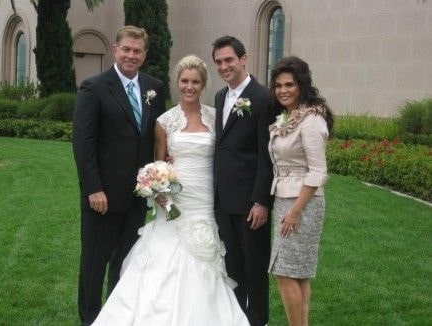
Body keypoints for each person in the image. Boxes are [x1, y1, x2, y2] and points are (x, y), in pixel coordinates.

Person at [91, 55, 250, 325]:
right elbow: (158, 163)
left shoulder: (214, 117)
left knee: (206, 253)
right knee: (166, 254)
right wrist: (161, 193)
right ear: (177, 83)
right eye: (185, 81)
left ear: (203, 84)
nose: (190, 87)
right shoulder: (165, 121)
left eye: (196, 82)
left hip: (205, 196)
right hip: (175, 197)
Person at [72, 26, 166, 325]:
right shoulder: (94, 87)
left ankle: (115, 316)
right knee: (94, 263)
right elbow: (83, 143)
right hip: (102, 196)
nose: (131, 55)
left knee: (125, 262)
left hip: (137, 196)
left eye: (137, 51)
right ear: (115, 49)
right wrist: (93, 188)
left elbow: (158, 136)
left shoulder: (154, 88)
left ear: (145, 55)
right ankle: (89, 318)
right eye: (126, 49)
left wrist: (162, 171)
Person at [267, 56, 334, 326]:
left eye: (290, 84)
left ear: (301, 85)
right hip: (285, 198)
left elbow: (318, 172)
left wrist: (295, 211)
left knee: (284, 272)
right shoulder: (290, 116)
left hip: (302, 203)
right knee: (297, 273)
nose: (283, 90)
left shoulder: (311, 120)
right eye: (279, 85)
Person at [212, 36, 273, 326]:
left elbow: (267, 156)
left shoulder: (263, 99)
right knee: (233, 266)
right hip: (224, 201)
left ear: (243, 59)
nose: (224, 66)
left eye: (229, 60)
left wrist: (262, 200)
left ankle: (258, 320)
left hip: (251, 203)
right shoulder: (220, 97)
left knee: (255, 268)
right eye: (219, 62)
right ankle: (237, 319)